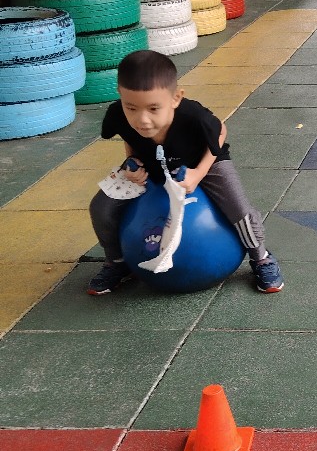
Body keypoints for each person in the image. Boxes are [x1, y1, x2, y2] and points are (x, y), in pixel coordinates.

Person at [87, 50, 283, 295]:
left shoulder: (192, 115)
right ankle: (117, 262)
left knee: (239, 209)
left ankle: (261, 258)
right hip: (151, 165)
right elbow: (129, 136)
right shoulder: (117, 114)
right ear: (120, 95)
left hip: (203, 163)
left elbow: (220, 131)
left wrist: (198, 174)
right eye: (132, 107)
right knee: (100, 208)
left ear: (176, 98)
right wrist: (131, 162)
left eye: (153, 108)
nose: (142, 119)